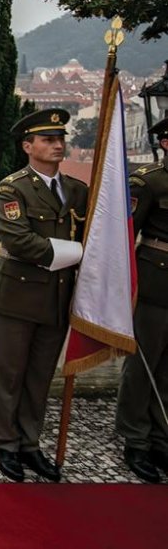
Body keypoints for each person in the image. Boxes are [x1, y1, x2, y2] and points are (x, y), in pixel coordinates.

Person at [0, 108, 87, 483]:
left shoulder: (77, 191)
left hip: (57, 299)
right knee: (9, 373)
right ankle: (5, 444)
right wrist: (79, 253)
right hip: (18, 295)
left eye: (60, 139)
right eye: (48, 140)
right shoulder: (12, 189)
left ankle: (30, 443)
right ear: (28, 146)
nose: (57, 145)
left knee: (40, 375)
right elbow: (21, 241)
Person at [117, 117, 168, 483]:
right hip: (155, 281)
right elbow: (125, 236)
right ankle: (135, 439)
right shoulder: (148, 181)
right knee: (144, 365)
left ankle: (161, 437)